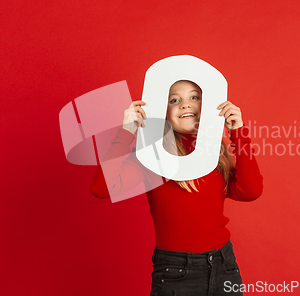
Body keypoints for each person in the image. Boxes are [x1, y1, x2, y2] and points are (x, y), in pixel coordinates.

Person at [91, 79, 263, 296]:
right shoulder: (151, 156)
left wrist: (238, 132)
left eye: (194, 97)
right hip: (175, 271)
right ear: (164, 111)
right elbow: (102, 187)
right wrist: (127, 131)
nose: (185, 104)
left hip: (223, 264)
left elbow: (251, 191)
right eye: (174, 100)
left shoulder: (216, 152)